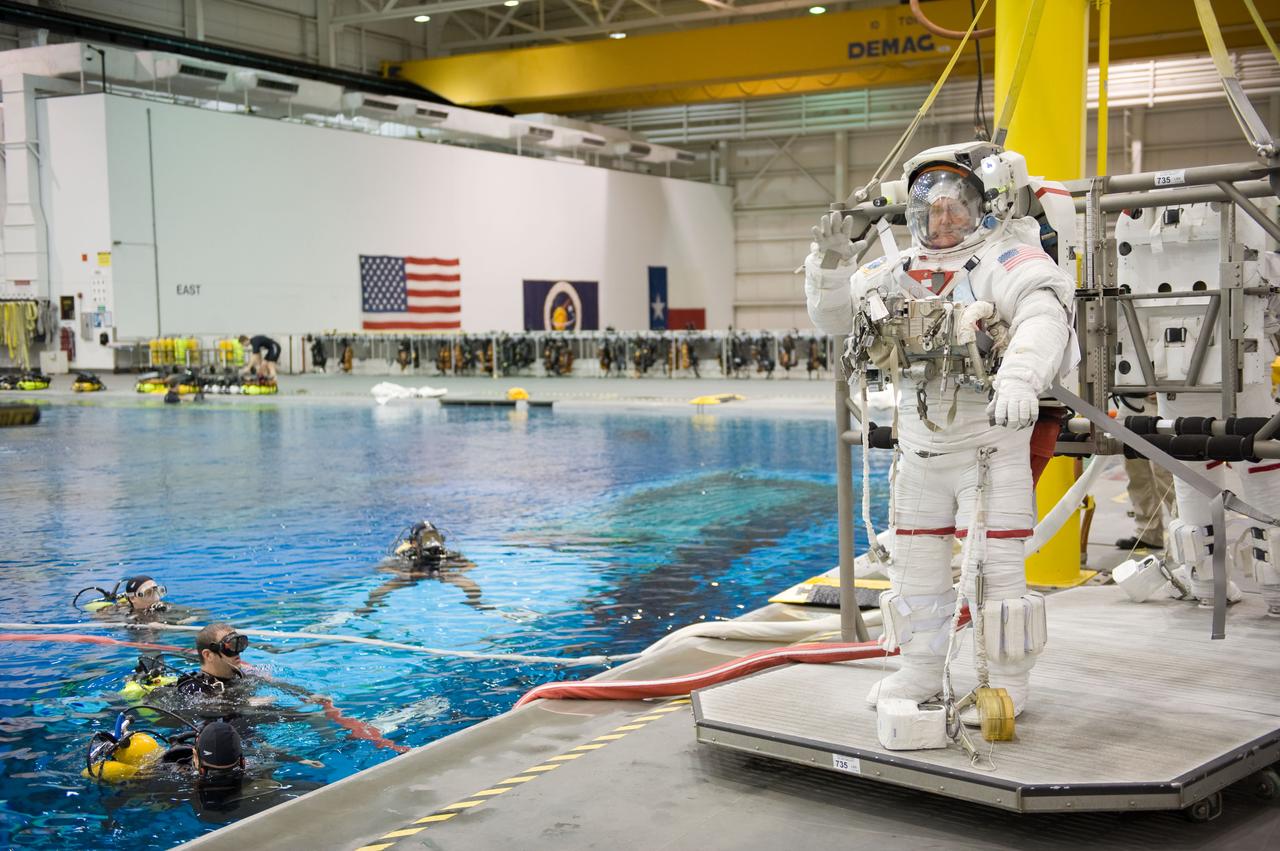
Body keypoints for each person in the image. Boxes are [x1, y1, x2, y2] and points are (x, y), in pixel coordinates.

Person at [805, 140, 1075, 719]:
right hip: (920, 452)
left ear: (985, 207)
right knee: (915, 571)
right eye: (931, 208)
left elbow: (1045, 315)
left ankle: (1004, 685)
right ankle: (921, 671)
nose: (943, 218)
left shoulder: (1009, 261)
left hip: (989, 449)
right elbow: (832, 320)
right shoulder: (890, 271)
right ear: (915, 213)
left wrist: (1022, 378)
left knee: (996, 575)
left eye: (956, 206)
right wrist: (830, 267)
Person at [357, 521, 486, 613]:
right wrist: (410, 575)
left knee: (472, 587)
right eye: (426, 538)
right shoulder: (407, 555)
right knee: (378, 592)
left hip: (441, 574)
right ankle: (369, 607)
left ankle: (475, 603)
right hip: (413, 575)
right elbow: (382, 568)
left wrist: (449, 573)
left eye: (433, 537)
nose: (431, 542)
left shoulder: (445, 554)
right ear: (414, 542)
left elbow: (470, 565)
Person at [174, 623, 250, 698]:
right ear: (208, 655)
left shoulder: (241, 676)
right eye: (230, 647)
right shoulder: (194, 689)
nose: (237, 652)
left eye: (239, 644)